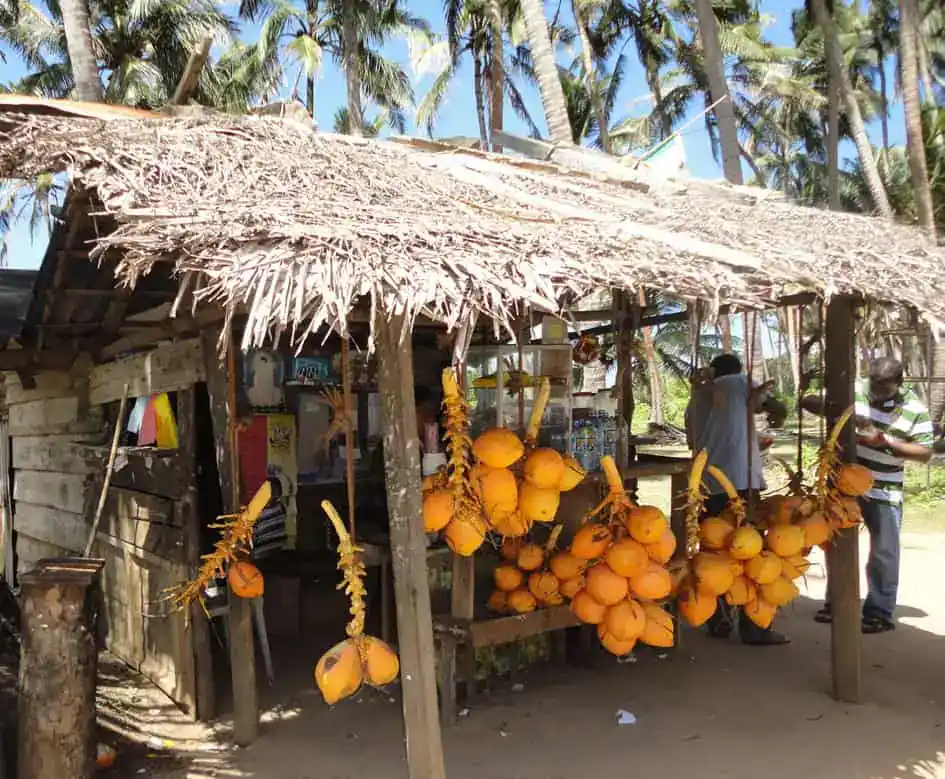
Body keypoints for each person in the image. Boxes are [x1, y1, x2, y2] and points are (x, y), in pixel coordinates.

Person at [801, 357, 933, 633]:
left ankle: (878, 612)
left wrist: (886, 442)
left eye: (882, 387)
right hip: (844, 485)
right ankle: (837, 603)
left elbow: (925, 452)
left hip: (884, 488)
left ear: (899, 383)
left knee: (884, 552)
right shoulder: (856, 390)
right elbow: (809, 402)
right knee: (837, 545)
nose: (875, 391)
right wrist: (838, 410)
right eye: (873, 384)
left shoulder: (914, 409)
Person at [686, 353, 789, 646]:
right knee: (751, 553)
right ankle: (754, 626)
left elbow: (701, 439)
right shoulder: (737, 383)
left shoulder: (697, 400)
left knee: (715, 551)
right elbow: (776, 408)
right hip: (740, 482)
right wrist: (767, 401)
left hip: (706, 482)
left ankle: (718, 619)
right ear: (738, 373)